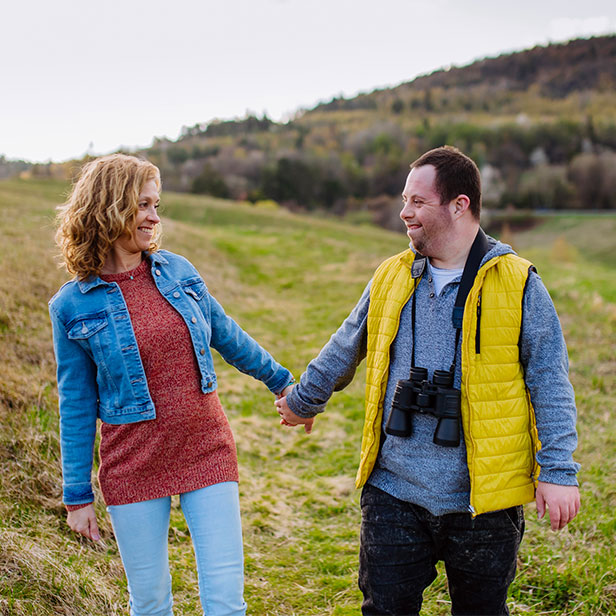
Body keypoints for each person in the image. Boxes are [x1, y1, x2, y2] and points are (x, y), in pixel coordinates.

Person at [275, 146, 580, 615]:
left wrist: (558, 472)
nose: (404, 212)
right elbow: (345, 345)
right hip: (393, 491)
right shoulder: (393, 275)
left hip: (484, 502)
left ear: (460, 205)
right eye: (404, 200)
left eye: (417, 201)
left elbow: (550, 382)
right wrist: (304, 400)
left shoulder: (518, 284)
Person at [49, 154, 294, 616]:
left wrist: (282, 382)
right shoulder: (71, 306)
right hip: (133, 462)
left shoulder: (179, 272)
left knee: (225, 600)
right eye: (144, 205)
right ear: (110, 207)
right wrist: (77, 495)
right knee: (151, 602)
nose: (155, 217)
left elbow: (227, 335)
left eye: (156, 205)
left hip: (205, 446)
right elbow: (76, 404)